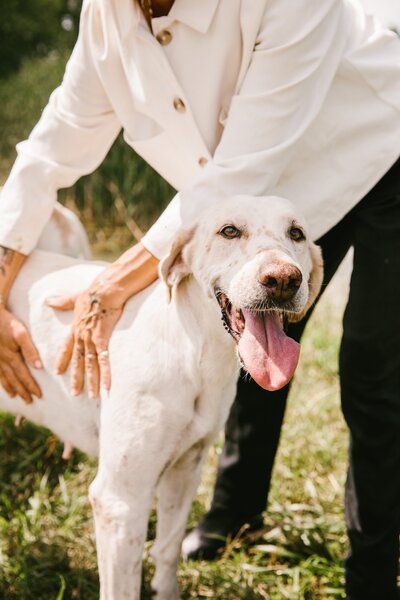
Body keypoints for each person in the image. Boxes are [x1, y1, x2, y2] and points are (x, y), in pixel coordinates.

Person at [0, 1, 399, 598]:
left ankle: (372, 575)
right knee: (241, 335)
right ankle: (232, 514)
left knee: (374, 366)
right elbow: (50, 149)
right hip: (269, 195)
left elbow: (241, 166)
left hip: (375, 141)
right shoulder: (108, 14)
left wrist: (115, 282)